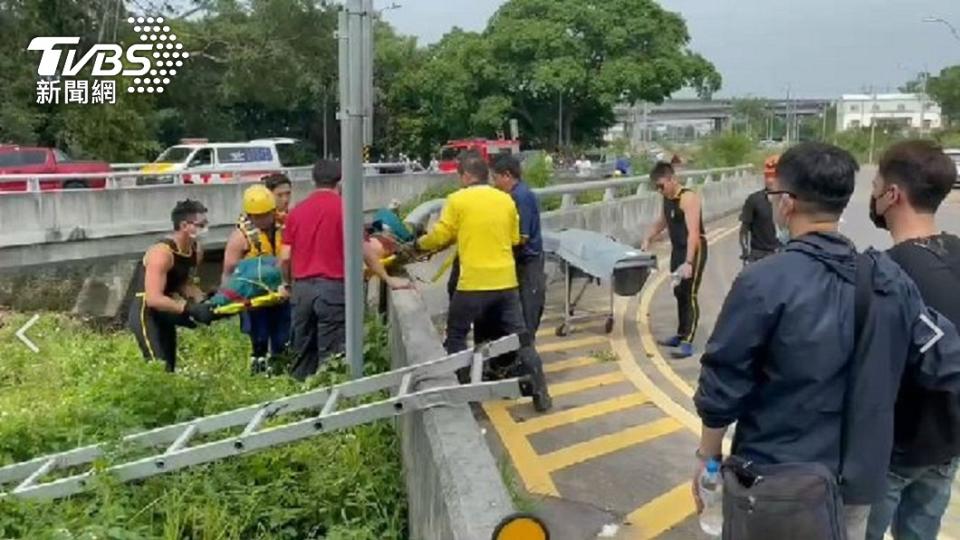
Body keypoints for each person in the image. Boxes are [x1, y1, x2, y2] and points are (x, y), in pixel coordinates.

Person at [692, 142, 960, 540]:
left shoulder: (764, 281)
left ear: (785, 203)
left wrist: (707, 456)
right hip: (855, 486)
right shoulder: (887, 279)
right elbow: (944, 359)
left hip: (776, 480)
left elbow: (724, 381)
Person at [866, 141, 960, 540]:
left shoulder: (883, 272)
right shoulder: (956, 251)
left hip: (890, 449)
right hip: (947, 443)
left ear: (892, 195)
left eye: (875, 185)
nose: (872, 195)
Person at [416, 151, 552, 412]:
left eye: (459, 176)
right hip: (506, 284)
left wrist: (418, 245)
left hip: (473, 285)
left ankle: (471, 399)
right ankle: (541, 394)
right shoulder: (505, 200)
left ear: (466, 175)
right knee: (521, 339)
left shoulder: (457, 200)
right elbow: (514, 239)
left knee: (456, 336)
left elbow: (441, 235)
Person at [280, 160, 409, 381]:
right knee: (332, 359)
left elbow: (285, 257)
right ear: (339, 182)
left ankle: (301, 406)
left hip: (302, 291)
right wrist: (388, 278)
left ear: (314, 181)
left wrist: (288, 284)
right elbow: (366, 251)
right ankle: (334, 406)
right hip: (333, 291)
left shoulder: (296, 212)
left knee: (302, 356)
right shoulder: (346, 209)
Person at [128, 199, 216, 372]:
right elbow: (153, 298)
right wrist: (187, 308)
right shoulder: (162, 253)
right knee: (157, 367)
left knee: (170, 366)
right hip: (146, 310)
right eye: (201, 224)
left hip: (165, 309)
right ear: (184, 225)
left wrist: (202, 300)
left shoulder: (196, 250)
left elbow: (183, 283)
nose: (205, 229)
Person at [222, 184, 290, 374]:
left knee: (283, 338)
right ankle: (258, 373)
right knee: (259, 340)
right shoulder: (240, 237)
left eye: (265, 215)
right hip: (254, 299)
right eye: (257, 217)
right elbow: (228, 271)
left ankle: (280, 370)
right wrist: (228, 298)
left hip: (280, 294)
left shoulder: (283, 227)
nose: (262, 220)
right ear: (249, 216)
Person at [642, 162, 707, 359]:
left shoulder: (688, 198)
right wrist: (648, 237)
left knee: (690, 293)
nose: (660, 190)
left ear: (671, 179)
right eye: (657, 188)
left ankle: (688, 340)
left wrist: (688, 262)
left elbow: (693, 233)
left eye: (661, 186)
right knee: (679, 292)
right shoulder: (667, 198)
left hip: (694, 249)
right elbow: (662, 222)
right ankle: (680, 333)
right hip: (677, 249)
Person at [491, 154, 546, 338]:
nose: (495, 183)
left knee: (527, 314)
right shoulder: (518, 194)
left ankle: (527, 358)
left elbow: (522, 236)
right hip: (522, 263)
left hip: (528, 263)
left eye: (496, 178)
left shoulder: (520, 197)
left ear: (507, 175)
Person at [738, 155, 781, 264]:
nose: (770, 180)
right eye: (767, 176)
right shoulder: (754, 200)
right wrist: (746, 252)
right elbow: (744, 230)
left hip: (784, 255)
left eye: (774, 176)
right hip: (760, 256)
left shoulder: (793, 200)